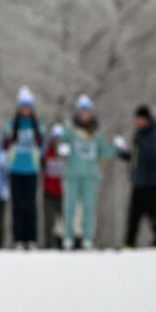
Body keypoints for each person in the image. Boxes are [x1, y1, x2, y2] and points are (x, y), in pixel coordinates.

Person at [59, 94, 115, 249]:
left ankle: (87, 238)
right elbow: (62, 146)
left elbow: (104, 151)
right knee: (69, 206)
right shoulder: (69, 130)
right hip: (72, 173)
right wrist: (63, 150)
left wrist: (116, 149)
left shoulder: (97, 132)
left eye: (87, 111)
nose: (85, 114)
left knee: (89, 207)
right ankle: (68, 237)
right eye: (82, 111)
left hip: (90, 175)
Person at [113, 105, 156, 248]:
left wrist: (141, 145)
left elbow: (153, 156)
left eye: (140, 119)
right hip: (138, 181)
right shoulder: (139, 135)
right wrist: (123, 153)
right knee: (133, 214)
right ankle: (129, 243)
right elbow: (136, 157)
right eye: (136, 119)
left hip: (152, 182)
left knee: (153, 213)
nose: (137, 122)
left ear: (147, 119)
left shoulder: (155, 135)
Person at [4, 86, 45, 247]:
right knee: (17, 205)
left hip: (32, 169)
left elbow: (42, 144)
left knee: (31, 205)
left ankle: (32, 238)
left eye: (28, 107)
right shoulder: (12, 125)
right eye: (23, 107)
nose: (25, 110)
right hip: (15, 168)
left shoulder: (38, 126)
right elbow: (5, 145)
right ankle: (18, 238)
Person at [42, 124, 66, 249]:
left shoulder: (67, 156)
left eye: (60, 140)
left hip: (64, 193)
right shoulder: (46, 154)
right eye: (55, 139)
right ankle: (48, 244)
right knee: (49, 220)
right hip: (49, 193)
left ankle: (63, 243)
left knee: (63, 221)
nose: (57, 142)